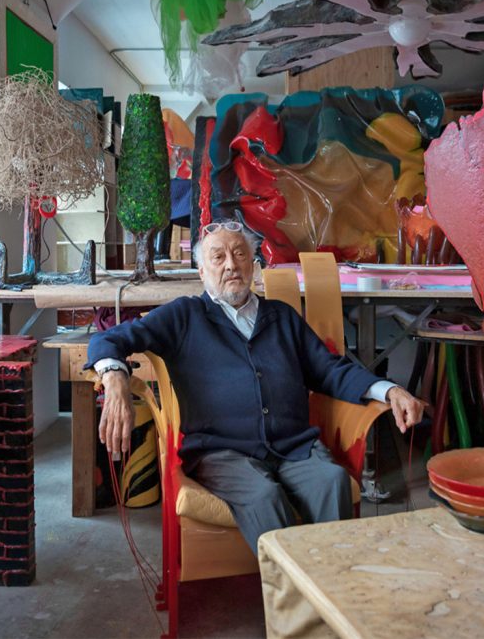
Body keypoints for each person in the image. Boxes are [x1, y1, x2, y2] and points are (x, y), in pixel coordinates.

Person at [87, 220, 424, 553]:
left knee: (332, 482)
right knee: (264, 496)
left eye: (239, 254)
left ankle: (330, 581)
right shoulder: (185, 316)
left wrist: (388, 390)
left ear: (253, 265)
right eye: (218, 257)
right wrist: (115, 380)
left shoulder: (282, 316)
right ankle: (291, 586)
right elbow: (108, 339)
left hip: (294, 446)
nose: (231, 265)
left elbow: (328, 368)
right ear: (202, 272)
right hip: (222, 454)